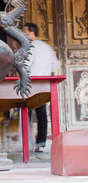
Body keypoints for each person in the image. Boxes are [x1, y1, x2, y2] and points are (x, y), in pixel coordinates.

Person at [23, 22, 59, 152]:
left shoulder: (31, 47)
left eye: (25, 32)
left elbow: (26, 66)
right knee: (42, 113)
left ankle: (26, 141)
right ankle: (41, 143)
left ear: (31, 33)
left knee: (26, 111)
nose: (24, 35)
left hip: (31, 83)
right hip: (44, 84)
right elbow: (55, 65)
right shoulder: (47, 48)